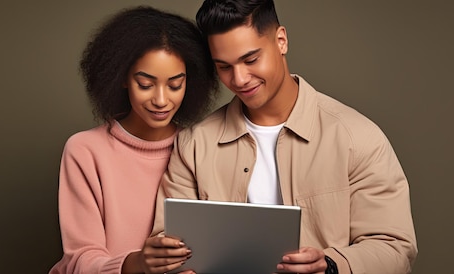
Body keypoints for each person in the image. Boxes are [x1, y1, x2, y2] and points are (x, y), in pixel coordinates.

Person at [149, 0, 418, 273]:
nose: (239, 79)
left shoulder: (357, 138)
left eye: (251, 59)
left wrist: (329, 264)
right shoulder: (193, 145)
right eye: (224, 67)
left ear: (281, 41)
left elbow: (395, 248)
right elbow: (165, 241)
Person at [49, 6, 218, 274]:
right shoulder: (85, 151)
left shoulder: (200, 148)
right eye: (146, 84)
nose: (161, 100)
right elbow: (79, 260)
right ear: (123, 78)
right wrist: (134, 263)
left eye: (175, 85)